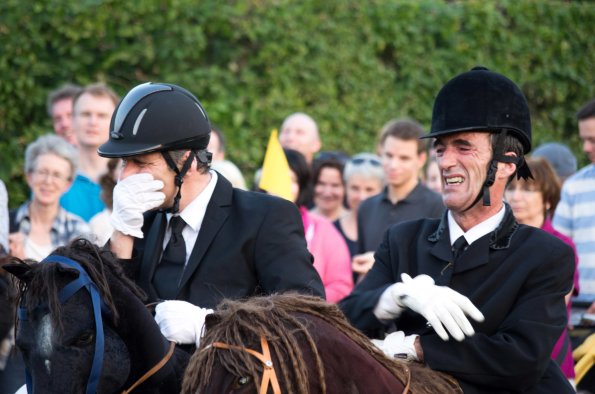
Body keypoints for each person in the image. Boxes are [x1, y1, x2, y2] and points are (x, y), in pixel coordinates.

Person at [340, 67, 575, 393]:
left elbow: (521, 359)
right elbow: (342, 322)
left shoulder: (545, 255)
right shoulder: (403, 240)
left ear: (507, 162)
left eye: (463, 147)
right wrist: (395, 296)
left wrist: (414, 347)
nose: (445, 161)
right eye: (440, 148)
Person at [97, 82, 325, 311]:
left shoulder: (265, 218)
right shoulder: (137, 222)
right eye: (124, 163)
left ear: (188, 161)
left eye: (141, 163)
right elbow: (106, 317)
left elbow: (307, 314)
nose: (125, 176)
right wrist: (122, 235)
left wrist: (210, 325)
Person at [506, 157, 578, 384]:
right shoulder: (495, 243)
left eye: (527, 189)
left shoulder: (561, 247)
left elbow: (549, 307)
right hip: (502, 365)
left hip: (551, 365)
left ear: (547, 199)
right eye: (511, 187)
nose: (516, 196)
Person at [354, 118, 444, 277]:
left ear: (421, 159)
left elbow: (437, 268)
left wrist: (381, 263)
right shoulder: (366, 207)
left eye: (404, 158)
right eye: (388, 155)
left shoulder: (438, 206)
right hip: (372, 299)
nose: (393, 165)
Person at [284, 148, 353, 303]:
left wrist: (304, 302)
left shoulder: (323, 230)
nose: (327, 191)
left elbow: (341, 285)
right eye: (321, 183)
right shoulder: (248, 224)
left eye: (292, 180)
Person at [8, 134, 91, 261]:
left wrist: (22, 263)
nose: (48, 181)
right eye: (42, 172)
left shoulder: (79, 231)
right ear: (29, 176)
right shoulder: (5, 224)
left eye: (57, 175)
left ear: (67, 184)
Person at [554, 98, 595, 311]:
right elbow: (558, 252)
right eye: (583, 140)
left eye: (593, 140)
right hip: (580, 314)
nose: (586, 147)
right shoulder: (573, 187)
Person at [60, 83, 119, 222]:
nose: (93, 122)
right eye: (86, 114)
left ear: (115, 122)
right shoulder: (55, 175)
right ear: (73, 120)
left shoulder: (127, 175)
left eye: (102, 115)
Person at [333, 153, 384, 278]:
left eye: (369, 189)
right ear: (345, 188)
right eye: (355, 188)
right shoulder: (331, 230)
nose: (362, 197)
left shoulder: (391, 230)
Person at [310, 155, 348, 221]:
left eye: (335, 185)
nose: (327, 193)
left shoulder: (355, 224)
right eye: (321, 184)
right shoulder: (300, 222)